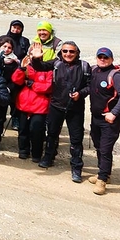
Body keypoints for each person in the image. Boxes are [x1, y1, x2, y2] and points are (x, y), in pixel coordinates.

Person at [41, 40, 90, 181]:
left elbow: (89, 86)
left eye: (71, 51)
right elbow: (41, 67)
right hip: (56, 105)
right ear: (61, 52)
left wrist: (80, 94)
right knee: (51, 133)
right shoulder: (56, 63)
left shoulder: (84, 66)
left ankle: (76, 168)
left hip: (76, 108)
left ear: (77, 53)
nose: (68, 54)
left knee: (76, 139)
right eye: (65, 51)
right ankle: (48, 157)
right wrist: (36, 58)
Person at [89, 47, 120, 195]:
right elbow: (89, 89)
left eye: (105, 57)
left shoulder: (116, 75)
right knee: (98, 146)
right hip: (96, 117)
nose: (102, 59)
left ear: (111, 59)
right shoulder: (95, 71)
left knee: (105, 149)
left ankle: (102, 180)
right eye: (100, 57)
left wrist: (113, 113)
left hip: (110, 120)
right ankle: (104, 173)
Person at [11, 48, 53, 162]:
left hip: (40, 105)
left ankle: (37, 154)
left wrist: (32, 84)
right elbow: (16, 80)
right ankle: (23, 151)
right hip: (24, 103)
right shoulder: (26, 68)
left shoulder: (48, 69)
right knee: (23, 129)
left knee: (37, 130)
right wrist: (21, 68)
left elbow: (48, 87)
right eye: (32, 54)